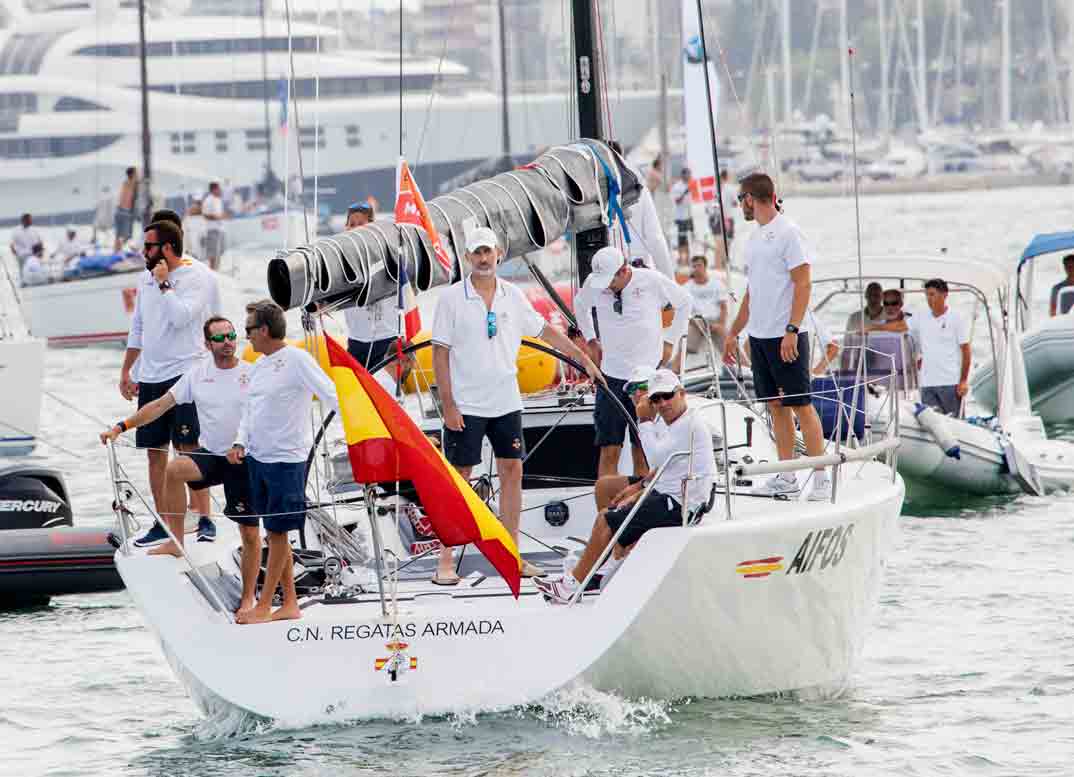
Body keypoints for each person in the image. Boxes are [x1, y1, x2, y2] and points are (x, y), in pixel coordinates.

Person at [431, 227, 600, 584]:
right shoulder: (450, 299)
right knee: (459, 480)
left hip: (506, 400)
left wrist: (582, 358)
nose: (482, 258)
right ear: (467, 257)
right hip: (466, 402)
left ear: (499, 254)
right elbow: (440, 353)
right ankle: (445, 562)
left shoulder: (513, 296)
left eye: (488, 252)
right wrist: (448, 405)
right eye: (476, 252)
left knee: (513, 473)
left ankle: (512, 554)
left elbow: (545, 332)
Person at [100, 318, 256, 591]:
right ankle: (176, 541)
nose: (228, 342)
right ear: (207, 345)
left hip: (244, 458)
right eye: (219, 338)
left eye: (231, 335)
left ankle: (249, 598)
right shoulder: (198, 374)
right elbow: (159, 406)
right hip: (213, 455)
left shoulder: (252, 374)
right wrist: (121, 426)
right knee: (173, 470)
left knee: (250, 534)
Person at [536, 370, 716, 603]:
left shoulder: (685, 425)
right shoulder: (679, 420)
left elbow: (655, 458)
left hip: (680, 503)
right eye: (656, 399)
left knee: (606, 518)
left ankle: (573, 585)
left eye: (667, 396)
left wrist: (644, 421)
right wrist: (639, 488)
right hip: (670, 493)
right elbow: (664, 468)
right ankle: (599, 565)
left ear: (682, 393)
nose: (661, 403)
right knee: (608, 497)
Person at [228, 300, 340, 623]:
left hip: (287, 460)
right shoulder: (259, 366)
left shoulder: (297, 360)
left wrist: (354, 435)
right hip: (258, 458)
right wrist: (239, 442)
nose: (246, 336)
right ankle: (289, 602)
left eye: (248, 329)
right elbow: (249, 413)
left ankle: (264, 605)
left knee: (278, 533)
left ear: (264, 330)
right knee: (274, 533)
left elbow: (331, 394)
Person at [723, 172, 829, 500]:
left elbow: (803, 283)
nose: (740, 204)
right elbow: (752, 293)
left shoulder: (789, 233)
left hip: (787, 335)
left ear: (752, 199)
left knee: (801, 404)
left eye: (741, 199)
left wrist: (792, 330)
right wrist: (734, 332)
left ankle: (822, 477)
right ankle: (787, 475)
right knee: (775, 406)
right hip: (759, 335)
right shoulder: (754, 239)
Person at [119, 219, 220, 547]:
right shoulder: (143, 278)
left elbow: (181, 317)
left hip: (185, 372)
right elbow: (138, 328)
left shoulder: (196, 276)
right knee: (154, 453)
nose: (142, 251)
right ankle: (163, 522)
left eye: (148, 246)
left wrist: (165, 284)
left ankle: (205, 517)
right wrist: (126, 372)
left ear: (165, 248)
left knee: (188, 450)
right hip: (150, 375)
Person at [575, 245, 691, 480]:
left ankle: (640, 504)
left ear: (624, 271)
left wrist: (670, 341)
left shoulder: (651, 280)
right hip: (611, 377)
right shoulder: (594, 284)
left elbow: (685, 302)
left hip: (646, 378)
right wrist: (591, 340)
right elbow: (580, 304)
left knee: (642, 448)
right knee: (609, 449)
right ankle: (606, 509)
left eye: (610, 280)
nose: (606, 286)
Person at [870, 278, 970, 416]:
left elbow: (966, 350)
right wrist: (876, 327)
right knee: (931, 424)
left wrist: (963, 380)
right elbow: (901, 326)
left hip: (950, 383)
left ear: (945, 295)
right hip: (927, 383)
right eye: (927, 295)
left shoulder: (956, 318)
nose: (929, 299)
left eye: (933, 294)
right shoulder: (921, 316)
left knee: (955, 424)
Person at [608, 140, 673, 279]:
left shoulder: (590, 193)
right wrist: (669, 280)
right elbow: (655, 238)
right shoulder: (639, 190)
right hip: (635, 271)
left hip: (608, 273)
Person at [684, 252, 728, 354]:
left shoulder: (717, 284)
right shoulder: (686, 287)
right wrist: (694, 322)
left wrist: (721, 324)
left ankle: (742, 367)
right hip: (696, 323)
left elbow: (724, 307)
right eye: (694, 266)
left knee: (729, 345)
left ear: (705, 266)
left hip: (715, 321)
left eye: (699, 265)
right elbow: (684, 310)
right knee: (684, 348)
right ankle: (677, 369)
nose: (697, 268)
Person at [669, 168, 693, 262]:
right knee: (681, 238)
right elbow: (677, 201)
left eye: (690, 174)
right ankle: (681, 258)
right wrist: (684, 193)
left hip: (689, 216)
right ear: (683, 175)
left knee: (689, 237)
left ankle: (687, 259)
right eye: (688, 174)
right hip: (680, 217)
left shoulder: (689, 185)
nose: (689, 176)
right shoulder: (677, 187)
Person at [202, 181, 226, 270]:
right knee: (213, 252)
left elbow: (219, 214)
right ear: (214, 189)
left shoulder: (219, 200)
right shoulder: (208, 200)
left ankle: (217, 269)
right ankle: (212, 270)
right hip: (212, 229)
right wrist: (217, 217)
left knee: (220, 251)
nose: (220, 190)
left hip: (220, 229)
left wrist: (223, 216)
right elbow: (205, 215)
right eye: (219, 189)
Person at [114, 167, 138, 253]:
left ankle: (116, 251)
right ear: (132, 175)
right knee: (127, 235)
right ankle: (118, 251)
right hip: (125, 212)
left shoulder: (125, 183)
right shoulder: (131, 184)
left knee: (119, 235)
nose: (137, 175)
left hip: (119, 210)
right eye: (136, 173)